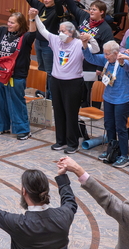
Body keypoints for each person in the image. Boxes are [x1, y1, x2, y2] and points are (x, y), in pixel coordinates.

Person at [33, 16, 88, 152]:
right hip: (56, 81)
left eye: (63, 31)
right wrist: (35, 17)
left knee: (71, 113)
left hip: (73, 82)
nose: (60, 33)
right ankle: (61, 141)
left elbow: (95, 50)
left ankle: (72, 144)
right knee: (58, 112)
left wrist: (88, 40)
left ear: (71, 32)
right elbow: (42, 30)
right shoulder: (56, 40)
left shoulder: (79, 44)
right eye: (59, 31)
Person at [81, 40, 129, 167]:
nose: (105, 56)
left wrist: (121, 62)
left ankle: (124, 155)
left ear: (116, 53)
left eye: (107, 54)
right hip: (109, 98)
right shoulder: (106, 59)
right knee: (109, 125)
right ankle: (112, 151)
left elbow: (128, 67)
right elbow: (90, 58)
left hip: (123, 98)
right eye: (104, 53)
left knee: (120, 127)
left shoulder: (125, 60)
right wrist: (84, 45)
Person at [0, 10, 39, 139]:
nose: (9, 24)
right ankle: (0, 126)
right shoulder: (2, 31)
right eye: (8, 21)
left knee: (16, 102)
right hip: (0, 73)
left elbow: (33, 34)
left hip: (16, 75)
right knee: (0, 101)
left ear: (20, 25)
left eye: (12, 23)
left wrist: (32, 18)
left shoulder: (25, 37)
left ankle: (23, 130)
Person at [17, 0, 66, 87]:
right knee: (41, 69)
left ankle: (50, 93)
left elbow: (60, 8)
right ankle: (42, 90)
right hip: (38, 42)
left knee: (49, 71)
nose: (46, 0)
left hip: (49, 45)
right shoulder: (41, 6)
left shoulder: (57, 11)